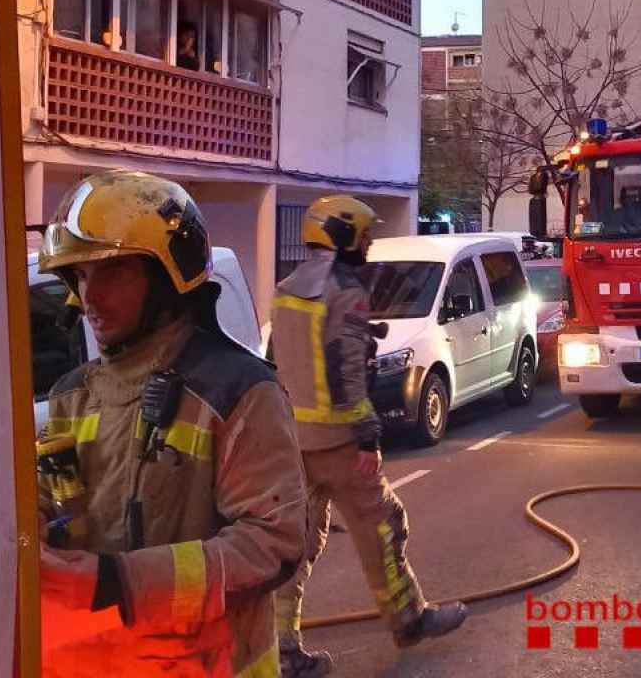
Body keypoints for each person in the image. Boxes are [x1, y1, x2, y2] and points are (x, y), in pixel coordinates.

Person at [36, 170, 308, 677]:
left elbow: (275, 544)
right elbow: (52, 500)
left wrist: (121, 580)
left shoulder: (239, 390)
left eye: (112, 271)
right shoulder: (72, 395)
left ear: (166, 277)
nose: (90, 296)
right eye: (81, 275)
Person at [271, 196, 467, 676]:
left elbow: (280, 359)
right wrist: (367, 436)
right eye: (362, 236)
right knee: (384, 528)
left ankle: (282, 649)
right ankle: (409, 619)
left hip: (295, 442)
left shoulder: (286, 289)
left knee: (295, 547)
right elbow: (346, 375)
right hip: (340, 443)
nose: (369, 244)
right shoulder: (347, 292)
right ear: (342, 238)